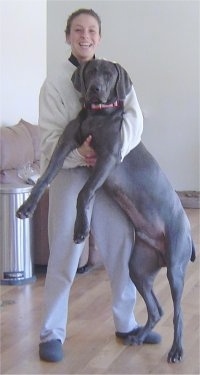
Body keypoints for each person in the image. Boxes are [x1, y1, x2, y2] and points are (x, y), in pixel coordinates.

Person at [38, 8, 161, 362]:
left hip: (109, 175)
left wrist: (111, 149)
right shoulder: (54, 84)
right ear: (68, 36)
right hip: (69, 175)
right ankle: (51, 332)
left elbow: (134, 120)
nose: (85, 36)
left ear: (99, 37)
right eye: (78, 30)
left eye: (92, 30)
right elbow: (48, 142)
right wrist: (83, 153)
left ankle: (126, 323)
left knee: (121, 246)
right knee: (64, 251)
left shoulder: (117, 74)